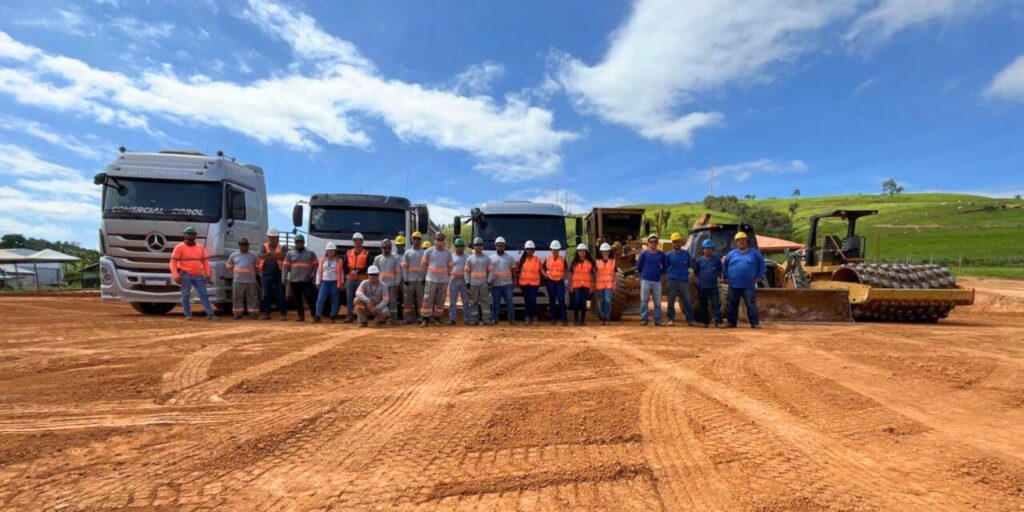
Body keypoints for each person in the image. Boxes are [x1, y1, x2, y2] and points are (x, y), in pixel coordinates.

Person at [170, 226, 217, 320]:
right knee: (186, 295)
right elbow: (173, 263)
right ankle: (188, 315)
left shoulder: (200, 247)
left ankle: (210, 314)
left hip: (198, 275)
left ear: (195, 236)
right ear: (184, 235)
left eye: (193, 234)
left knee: (204, 294)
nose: (191, 236)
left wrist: (208, 275)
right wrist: (175, 275)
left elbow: (205, 262)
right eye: (189, 234)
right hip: (185, 275)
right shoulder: (179, 247)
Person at [723, 231, 766, 329]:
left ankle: (754, 323)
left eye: (742, 240)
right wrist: (725, 277)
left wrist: (759, 276)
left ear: (746, 241)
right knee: (732, 305)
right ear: (736, 243)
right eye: (738, 241)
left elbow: (762, 264)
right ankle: (731, 323)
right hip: (733, 284)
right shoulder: (731, 254)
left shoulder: (754, 253)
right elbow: (725, 265)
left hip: (748, 285)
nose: (740, 242)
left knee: (751, 305)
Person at [666, 232, 700, 327]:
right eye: (674, 242)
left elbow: (689, 266)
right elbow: (666, 267)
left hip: (684, 280)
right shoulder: (668, 255)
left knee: (687, 300)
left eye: (678, 242)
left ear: (681, 242)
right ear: (672, 243)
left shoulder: (686, 254)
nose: (676, 244)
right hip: (672, 280)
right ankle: (671, 319)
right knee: (671, 300)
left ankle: (690, 320)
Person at [420, 233, 452, 327]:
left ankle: (437, 318)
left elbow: (450, 266)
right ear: (435, 240)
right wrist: (426, 276)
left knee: (440, 300)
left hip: (443, 280)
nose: (440, 241)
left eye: (442, 239)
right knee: (428, 299)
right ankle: (425, 319)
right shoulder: (429, 251)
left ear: (444, 241)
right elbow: (423, 265)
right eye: (438, 239)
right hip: (431, 279)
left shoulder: (448, 253)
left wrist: (446, 274)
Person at [283, 234, 318, 322]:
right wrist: (283, 278)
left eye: (300, 242)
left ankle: (314, 316)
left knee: (310, 298)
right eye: (297, 242)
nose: (299, 244)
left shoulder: (310, 253)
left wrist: (312, 275)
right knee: (297, 299)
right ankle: (300, 316)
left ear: (303, 243)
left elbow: (316, 265)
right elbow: (285, 266)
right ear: (295, 243)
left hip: (307, 280)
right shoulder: (290, 254)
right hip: (294, 280)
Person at [225, 237, 260, 320]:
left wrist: (253, 275)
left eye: (245, 244)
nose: (244, 246)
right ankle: (238, 314)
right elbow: (229, 266)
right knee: (237, 297)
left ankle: (253, 313)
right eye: (242, 244)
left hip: (251, 281)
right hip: (238, 280)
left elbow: (258, 268)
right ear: (239, 245)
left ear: (248, 245)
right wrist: (237, 274)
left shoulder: (253, 256)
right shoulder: (233, 255)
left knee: (252, 297)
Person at [637, 234, 667, 326]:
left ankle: (657, 320)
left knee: (657, 302)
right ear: (648, 243)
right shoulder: (644, 254)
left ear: (657, 243)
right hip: (645, 280)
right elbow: (639, 266)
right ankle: (644, 319)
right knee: (644, 301)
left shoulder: (661, 255)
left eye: (655, 241)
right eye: (651, 241)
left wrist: (659, 273)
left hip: (657, 281)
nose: (653, 243)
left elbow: (665, 267)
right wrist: (644, 273)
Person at [258, 228, 288, 321]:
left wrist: (271, 254)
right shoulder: (263, 246)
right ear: (268, 237)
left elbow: (284, 256)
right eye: (271, 237)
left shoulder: (283, 247)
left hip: (279, 273)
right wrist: (276, 255)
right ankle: (266, 313)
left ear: (278, 237)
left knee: (281, 294)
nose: (273, 239)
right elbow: (262, 255)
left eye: (274, 237)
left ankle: (283, 314)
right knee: (266, 294)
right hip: (266, 273)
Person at [693, 239, 724, 328]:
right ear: (703, 250)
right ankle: (705, 321)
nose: (708, 250)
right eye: (706, 248)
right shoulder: (699, 261)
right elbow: (696, 273)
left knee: (716, 304)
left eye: (710, 248)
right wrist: (697, 282)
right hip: (702, 287)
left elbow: (719, 271)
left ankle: (718, 322)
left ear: (712, 249)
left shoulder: (717, 260)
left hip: (713, 286)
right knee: (703, 305)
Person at [464, 237, 494, 326]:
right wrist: (467, 282)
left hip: (484, 284)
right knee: (473, 302)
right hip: (473, 284)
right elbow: (466, 271)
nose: (478, 247)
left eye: (480, 245)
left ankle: (486, 320)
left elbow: (491, 271)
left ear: (482, 247)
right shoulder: (470, 259)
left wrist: (488, 282)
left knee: (485, 301)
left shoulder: (487, 259)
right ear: (474, 247)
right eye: (476, 245)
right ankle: (474, 319)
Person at [342, 233, 369, 323]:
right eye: (355, 240)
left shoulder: (366, 253)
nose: (357, 242)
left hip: (362, 280)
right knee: (349, 299)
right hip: (350, 280)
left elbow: (368, 266)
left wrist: (358, 271)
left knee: (361, 299)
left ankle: (361, 318)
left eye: (359, 240)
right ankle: (349, 316)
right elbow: (344, 265)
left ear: (362, 242)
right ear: (353, 241)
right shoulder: (348, 253)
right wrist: (350, 271)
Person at [489, 236, 517, 325]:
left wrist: (515, 280)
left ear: (504, 246)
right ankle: (495, 319)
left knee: (509, 302)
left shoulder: (510, 258)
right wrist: (488, 282)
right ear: (495, 246)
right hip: (495, 284)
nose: (500, 247)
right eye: (498, 245)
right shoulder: (491, 258)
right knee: (495, 303)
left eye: (502, 246)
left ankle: (512, 319)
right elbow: (489, 271)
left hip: (507, 284)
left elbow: (514, 270)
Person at [373, 239, 401, 324]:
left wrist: (397, 284)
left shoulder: (395, 259)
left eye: (388, 248)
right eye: (384, 247)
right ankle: (381, 318)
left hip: (392, 285)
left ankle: (393, 319)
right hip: (381, 285)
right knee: (381, 302)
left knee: (393, 303)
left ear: (391, 248)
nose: (386, 249)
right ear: (381, 248)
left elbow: (398, 273)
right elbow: (374, 273)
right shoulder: (377, 259)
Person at [400, 232, 425, 324]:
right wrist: (405, 279)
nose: (416, 240)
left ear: (420, 240)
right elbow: (404, 267)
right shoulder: (408, 253)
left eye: (418, 239)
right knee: (407, 300)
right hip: (409, 280)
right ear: (412, 239)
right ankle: (407, 317)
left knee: (421, 300)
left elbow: (425, 267)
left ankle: (421, 317)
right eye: (415, 238)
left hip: (419, 280)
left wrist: (424, 278)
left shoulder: (424, 253)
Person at [314, 242, 342, 323]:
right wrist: (317, 282)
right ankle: (318, 315)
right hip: (324, 282)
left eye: (332, 250)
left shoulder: (339, 261)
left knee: (335, 299)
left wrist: (341, 283)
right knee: (320, 299)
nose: (330, 252)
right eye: (329, 251)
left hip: (334, 282)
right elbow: (319, 271)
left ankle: (333, 316)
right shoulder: (322, 260)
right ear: (326, 251)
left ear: (335, 251)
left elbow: (341, 273)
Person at [542, 240, 568, 326]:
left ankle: (564, 320)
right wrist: (546, 276)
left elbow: (566, 270)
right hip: (550, 282)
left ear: (559, 250)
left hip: (559, 282)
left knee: (561, 301)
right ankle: (553, 319)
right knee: (552, 301)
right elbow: (542, 269)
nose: (555, 251)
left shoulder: (562, 259)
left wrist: (565, 276)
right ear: (551, 250)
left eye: (557, 250)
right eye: (554, 249)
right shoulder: (547, 259)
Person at [569, 243, 595, 326]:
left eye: (583, 251)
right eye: (580, 251)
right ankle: (576, 319)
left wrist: (591, 286)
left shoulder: (589, 263)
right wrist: (570, 286)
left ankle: (582, 320)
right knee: (576, 302)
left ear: (586, 252)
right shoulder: (574, 263)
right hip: (576, 286)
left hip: (586, 286)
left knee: (584, 303)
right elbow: (570, 275)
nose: (582, 253)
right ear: (578, 252)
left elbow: (591, 275)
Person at [518, 240, 542, 325]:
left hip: (534, 284)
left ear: (534, 250)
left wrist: (548, 277)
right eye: (528, 249)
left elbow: (541, 271)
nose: (530, 250)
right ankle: (527, 318)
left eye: (531, 249)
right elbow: (519, 272)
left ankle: (535, 318)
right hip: (524, 284)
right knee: (527, 301)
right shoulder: (522, 260)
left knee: (532, 300)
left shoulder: (537, 260)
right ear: (525, 250)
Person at [448, 238, 470, 325]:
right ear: (455, 247)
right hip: (453, 282)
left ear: (463, 248)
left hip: (464, 282)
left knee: (465, 301)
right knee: (453, 301)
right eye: (457, 246)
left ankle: (467, 319)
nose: (459, 248)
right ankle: (452, 319)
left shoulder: (467, 258)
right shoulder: (451, 257)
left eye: (461, 246)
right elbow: (448, 268)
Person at [595, 243, 616, 325]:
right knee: (602, 301)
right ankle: (603, 318)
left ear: (609, 252)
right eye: (603, 252)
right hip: (600, 285)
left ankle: (607, 317)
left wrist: (615, 283)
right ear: (601, 253)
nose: (605, 254)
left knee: (607, 300)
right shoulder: (597, 262)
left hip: (609, 285)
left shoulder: (613, 262)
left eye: (606, 252)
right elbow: (595, 274)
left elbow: (615, 274)